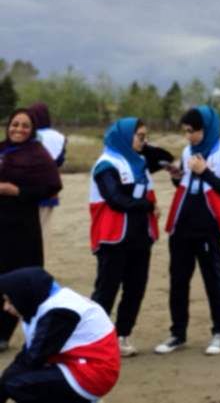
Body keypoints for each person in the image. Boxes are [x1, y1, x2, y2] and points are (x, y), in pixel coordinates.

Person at [155, 106, 220, 357]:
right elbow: (185, 183)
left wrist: (205, 173)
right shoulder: (187, 151)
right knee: (178, 281)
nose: (188, 137)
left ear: (206, 129)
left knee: (214, 281)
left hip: (208, 228)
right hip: (182, 225)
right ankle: (177, 334)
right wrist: (176, 175)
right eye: (185, 132)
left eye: (191, 131)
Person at [88, 119, 165, 358]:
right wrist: (147, 204)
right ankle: (92, 338)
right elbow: (116, 199)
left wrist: (143, 145)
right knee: (106, 289)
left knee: (135, 288)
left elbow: (167, 156)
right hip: (113, 237)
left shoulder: (140, 162)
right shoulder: (105, 164)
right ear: (123, 137)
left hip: (141, 235)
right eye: (140, 136)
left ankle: (122, 335)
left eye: (146, 136)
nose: (145, 141)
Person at [0, 267, 119, 403]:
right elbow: (28, 354)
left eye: (9, 300)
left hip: (93, 374)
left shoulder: (59, 313)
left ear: (22, 296)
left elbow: (34, 357)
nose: (5, 307)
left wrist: (5, 384)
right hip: (83, 364)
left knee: (17, 384)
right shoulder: (44, 302)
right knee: (14, 379)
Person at [0, 110, 62, 352]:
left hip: (21, 226)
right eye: (15, 124)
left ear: (33, 130)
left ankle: (4, 333)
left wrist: (18, 192)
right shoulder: (2, 149)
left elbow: (51, 186)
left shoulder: (38, 155)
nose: (19, 129)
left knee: (16, 278)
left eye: (25, 126)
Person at [27, 104, 66, 233]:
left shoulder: (27, 134)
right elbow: (60, 161)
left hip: (26, 187)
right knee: (43, 227)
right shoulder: (60, 137)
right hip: (50, 187)